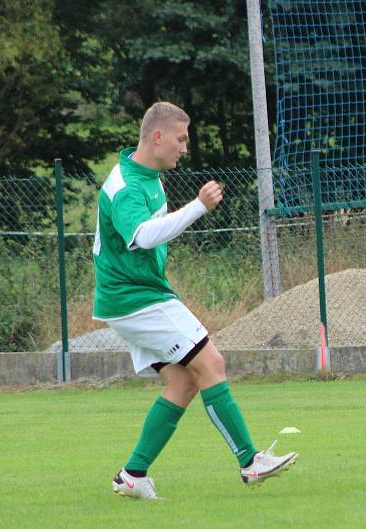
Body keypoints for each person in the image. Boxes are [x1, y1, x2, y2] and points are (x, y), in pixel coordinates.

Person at [93, 101, 298, 500]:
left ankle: (132, 474)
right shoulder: (125, 186)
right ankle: (249, 461)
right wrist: (199, 207)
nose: (185, 148)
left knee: (183, 381)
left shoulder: (148, 174)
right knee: (212, 363)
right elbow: (143, 236)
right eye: (181, 139)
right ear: (158, 137)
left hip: (138, 294)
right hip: (133, 297)